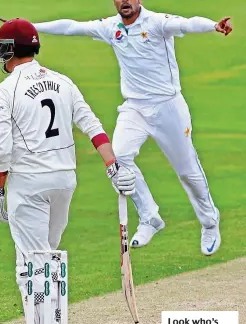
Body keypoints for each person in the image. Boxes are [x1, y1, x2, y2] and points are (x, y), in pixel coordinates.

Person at [28, 0, 233, 255]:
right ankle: (150, 217)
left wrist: (214, 26)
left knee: (187, 171)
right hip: (135, 107)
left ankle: (209, 222)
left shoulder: (156, 23)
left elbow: (186, 23)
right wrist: (30, 26)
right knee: (119, 157)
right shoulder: (110, 27)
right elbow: (72, 27)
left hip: (168, 107)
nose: (125, 1)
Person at [0, 18, 136, 324]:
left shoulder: (4, 91)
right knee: (46, 259)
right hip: (64, 182)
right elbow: (92, 126)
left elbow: (0, 149)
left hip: (29, 186)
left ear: (9, 50)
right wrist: (113, 167)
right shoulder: (63, 82)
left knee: (31, 266)